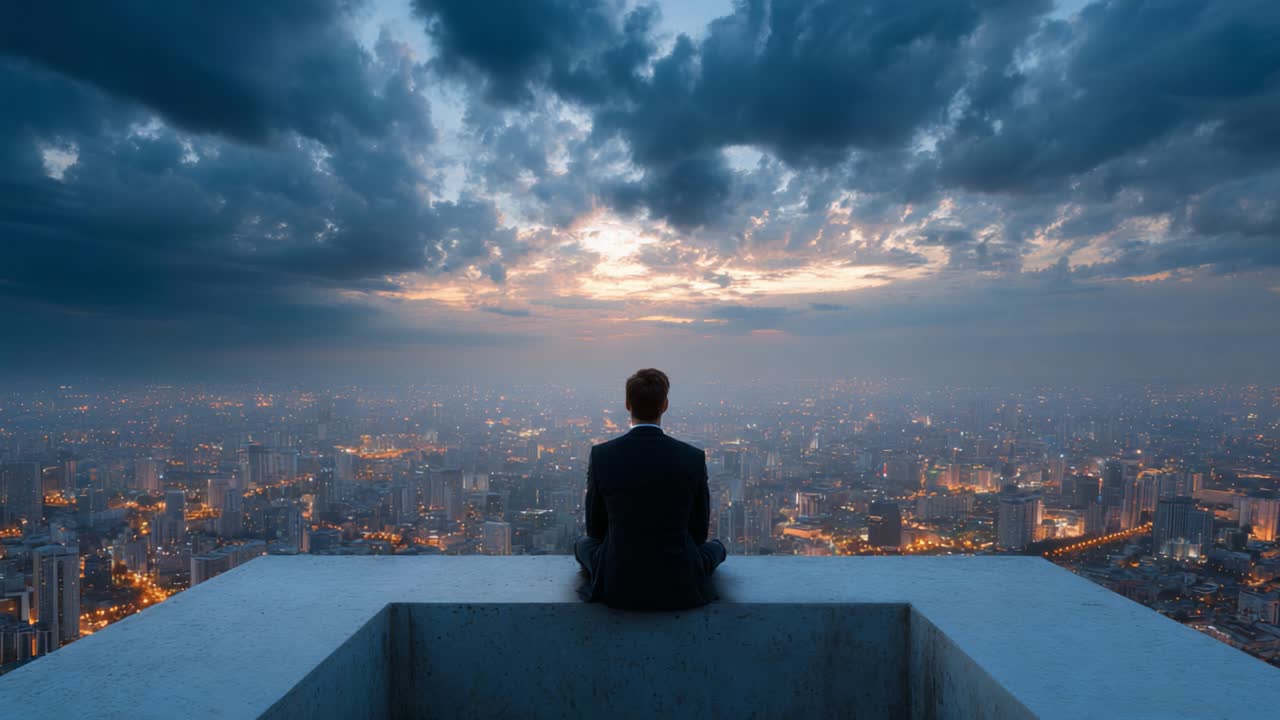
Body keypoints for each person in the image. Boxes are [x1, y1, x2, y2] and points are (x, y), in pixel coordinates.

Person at [574, 368, 727, 610]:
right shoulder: (692, 457)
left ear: (627, 404)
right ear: (664, 405)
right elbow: (698, 534)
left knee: (582, 545)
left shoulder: (602, 455)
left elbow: (595, 529)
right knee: (716, 548)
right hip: (680, 581)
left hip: (618, 582)